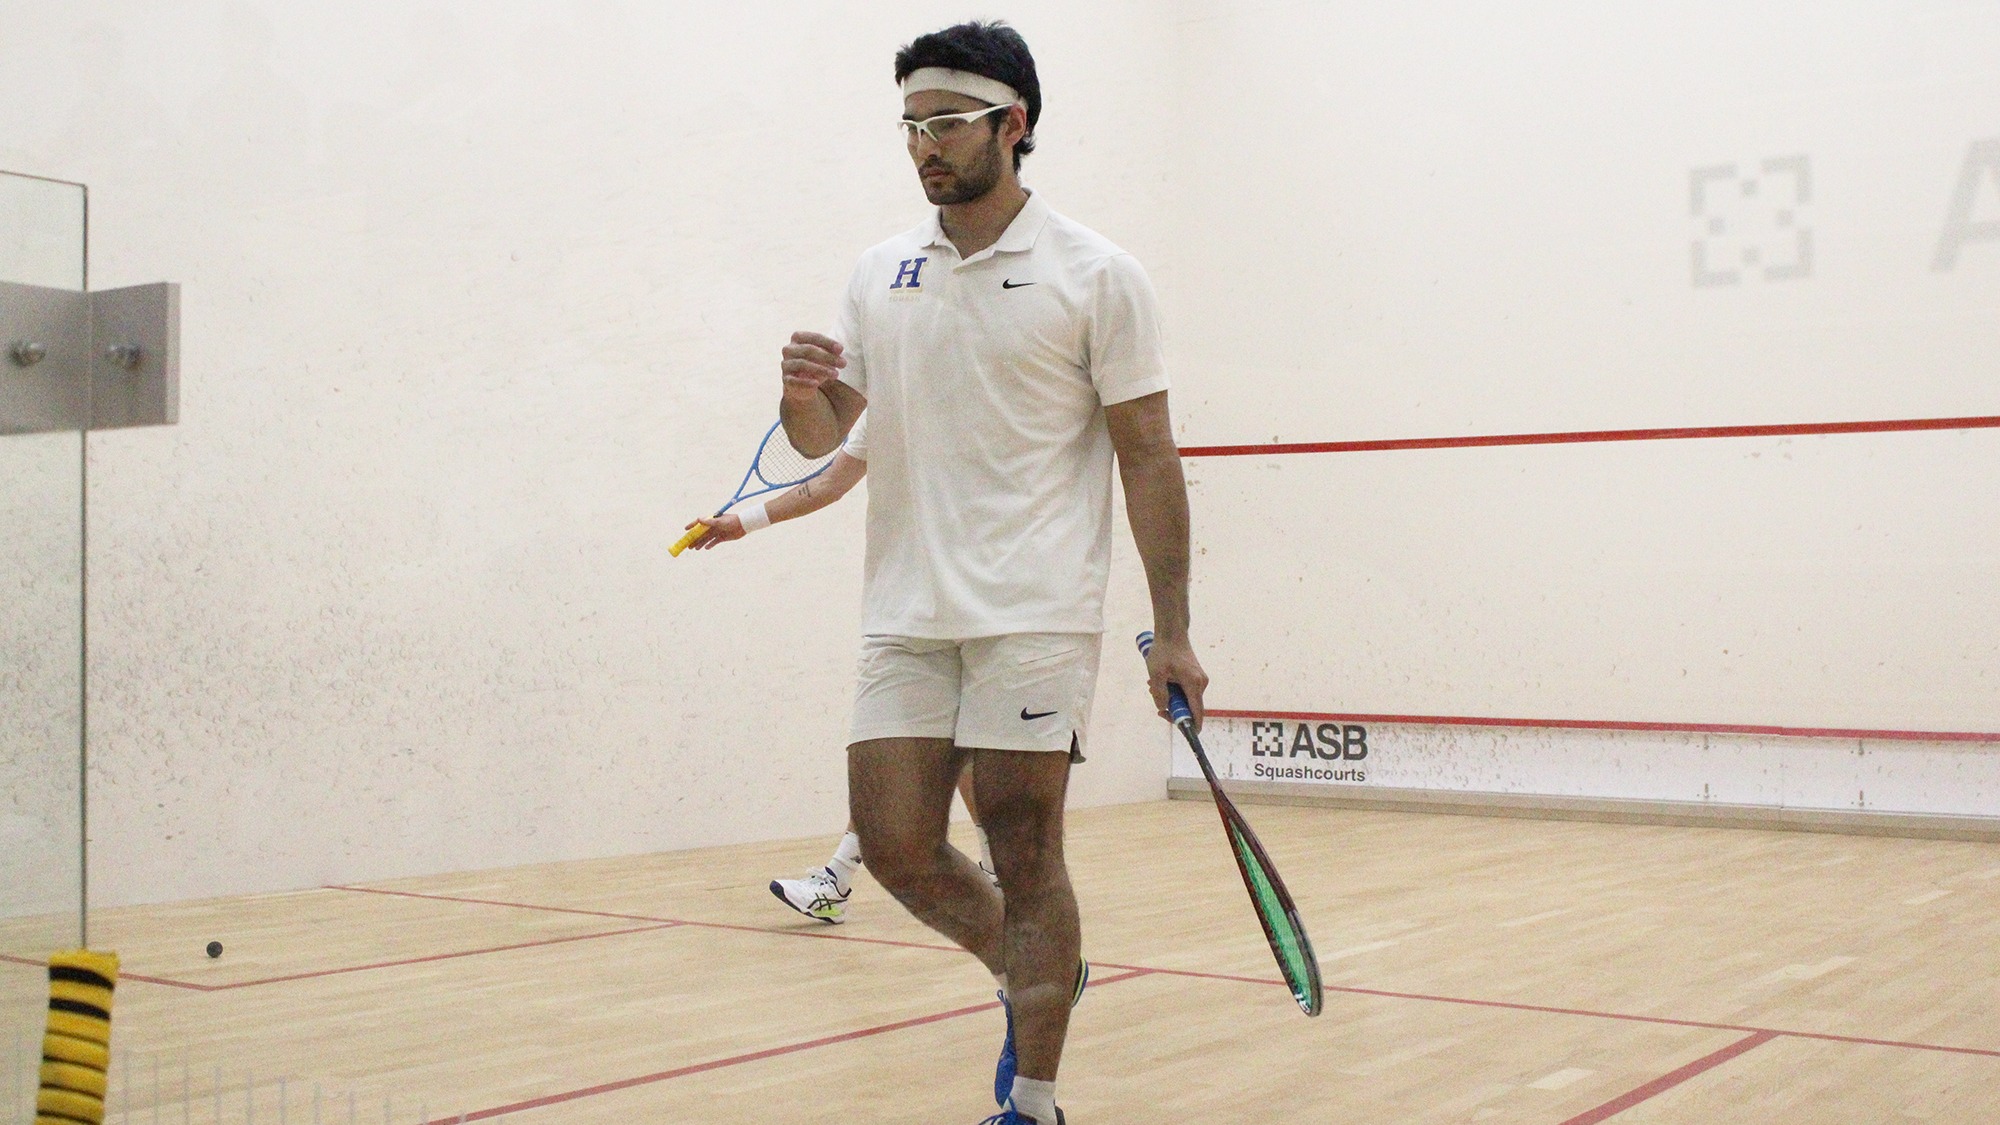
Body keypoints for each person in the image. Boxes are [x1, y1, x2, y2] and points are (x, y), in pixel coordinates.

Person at [775, 21, 1207, 1125]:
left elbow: (1147, 456)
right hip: (904, 610)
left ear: (1012, 127)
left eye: (948, 125)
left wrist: (1175, 627)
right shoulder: (880, 273)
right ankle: (1039, 972)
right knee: (893, 846)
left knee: (1024, 848)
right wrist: (798, 393)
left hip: (1033, 609)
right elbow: (826, 439)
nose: (925, 146)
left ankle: (1036, 1099)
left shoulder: (1095, 275)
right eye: (911, 126)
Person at [682, 418, 1002, 923]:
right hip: (907, 613)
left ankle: (851, 879)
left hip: (989, 604)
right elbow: (829, 483)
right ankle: (840, 880)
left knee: (955, 751)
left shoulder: (983, 404)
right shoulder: (886, 413)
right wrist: (742, 522)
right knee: (892, 754)